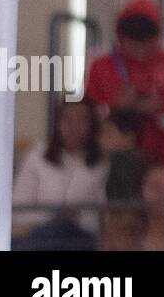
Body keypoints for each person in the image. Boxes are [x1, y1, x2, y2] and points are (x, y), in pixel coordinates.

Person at [84, 0, 164, 165]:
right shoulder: (101, 64)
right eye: (133, 43)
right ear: (121, 39)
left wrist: (160, 113)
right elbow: (87, 119)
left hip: (163, 159)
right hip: (111, 159)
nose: (140, 50)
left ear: (157, 38)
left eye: (146, 44)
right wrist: (117, 107)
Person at [11, 101, 108, 241]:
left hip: (80, 237)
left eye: (81, 120)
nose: (73, 127)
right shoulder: (38, 156)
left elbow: (99, 212)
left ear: (91, 126)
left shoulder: (100, 163)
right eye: (67, 119)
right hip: (37, 235)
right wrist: (53, 217)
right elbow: (20, 207)